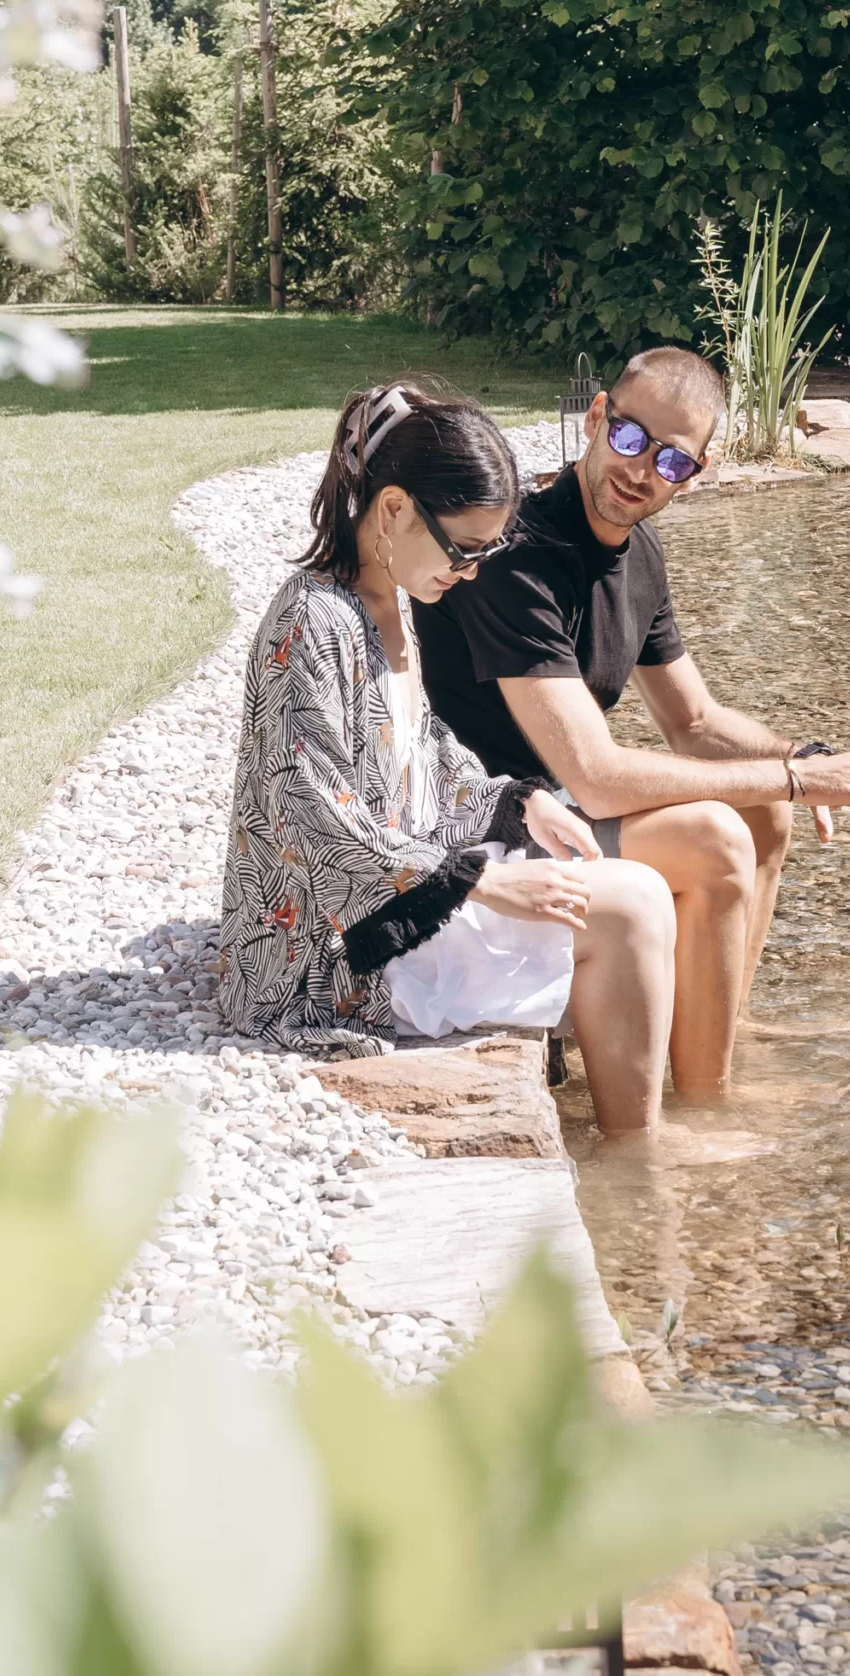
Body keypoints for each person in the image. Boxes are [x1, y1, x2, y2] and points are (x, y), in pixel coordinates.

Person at [413, 345, 850, 1100]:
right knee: (717, 835)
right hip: (486, 820)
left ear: (695, 473)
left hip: (557, 812)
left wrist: (810, 760)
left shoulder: (638, 554)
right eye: (630, 439)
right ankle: (705, 1104)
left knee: (764, 816)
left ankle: (718, 1029)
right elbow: (593, 779)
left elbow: (693, 720)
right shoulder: (515, 556)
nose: (640, 471)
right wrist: (795, 777)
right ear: (597, 417)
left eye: (671, 462)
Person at [213, 381, 680, 1136]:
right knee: (625, 910)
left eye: (488, 553)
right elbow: (315, 821)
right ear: (394, 509)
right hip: (322, 960)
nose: (469, 574)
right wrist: (484, 884)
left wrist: (518, 801)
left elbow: (424, 751)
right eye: (464, 550)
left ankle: (637, 1137)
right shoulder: (308, 621)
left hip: (391, 900)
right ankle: (637, 1152)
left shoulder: (386, 599)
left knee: (642, 890)